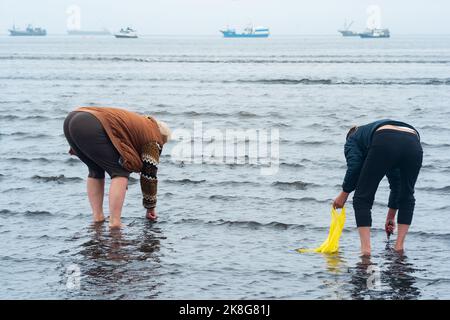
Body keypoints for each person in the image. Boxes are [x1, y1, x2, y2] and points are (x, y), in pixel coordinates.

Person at [63, 106, 171, 229]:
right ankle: (115, 222)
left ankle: (98, 218)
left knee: (95, 170)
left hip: (73, 118)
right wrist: (150, 208)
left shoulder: (140, 125)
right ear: (163, 138)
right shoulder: (154, 138)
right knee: (120, 171)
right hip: (90, 123)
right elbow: (149, 176)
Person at [333, 120, 423, 256]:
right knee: (407, 195)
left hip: (385, 139)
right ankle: (399, 248)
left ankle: (366, 252)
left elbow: (355, 166)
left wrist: (344, 194)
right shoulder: (370, 132)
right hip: (413, 140)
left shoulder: (352, 139)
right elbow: (396, 184)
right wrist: (391, 216)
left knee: (361, 198)